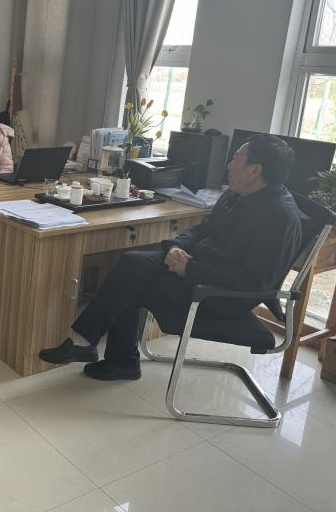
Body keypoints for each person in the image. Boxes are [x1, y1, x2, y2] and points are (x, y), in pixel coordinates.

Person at [39, 134, 303, 381]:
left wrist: (191, 270)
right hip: (197, 265)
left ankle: (115, 358)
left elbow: (254, 282)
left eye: (236, 159)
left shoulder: (279, 218)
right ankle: (96, 349)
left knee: (131, 283)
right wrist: (175, 247)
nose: (229, 165)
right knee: (131, 263)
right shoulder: (237, 195)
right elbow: (202, 230)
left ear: (255, 171)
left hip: (221, 295)